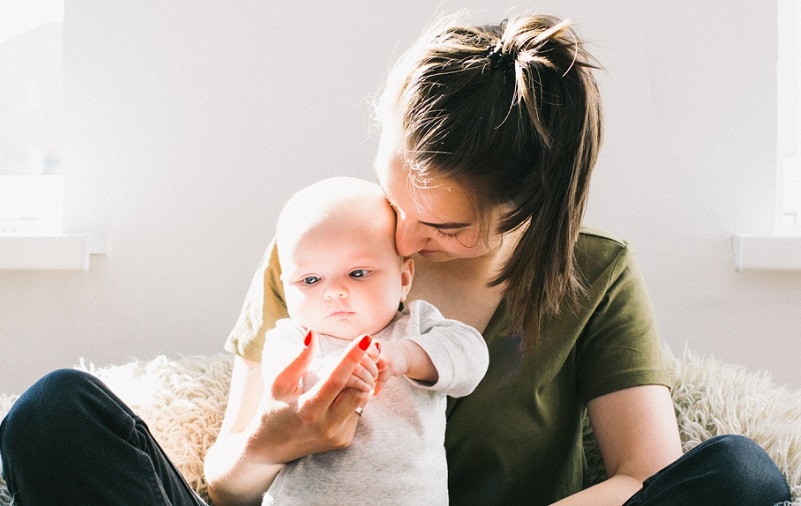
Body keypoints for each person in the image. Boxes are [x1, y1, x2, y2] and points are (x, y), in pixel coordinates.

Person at [0, 11, 791, 506]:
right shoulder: (324, 252)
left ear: (529, 209)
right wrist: (276, 444)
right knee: (50, 413)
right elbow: (228, 485)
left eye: (444, 227)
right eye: (393, 195)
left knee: (742, 476)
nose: (401, 238)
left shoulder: (595, 277)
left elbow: (643, 477)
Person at [258, 176, 488, 505]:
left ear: (404, 278)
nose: (334, 291)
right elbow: (281, 392)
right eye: (310, 279)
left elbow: (472, 358)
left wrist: (406, 356)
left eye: (358, 273)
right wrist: (328, 375)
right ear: (287, 287)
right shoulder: (293, 339)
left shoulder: (416, 328)